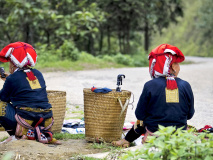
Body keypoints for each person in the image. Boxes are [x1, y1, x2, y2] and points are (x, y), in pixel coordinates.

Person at [112, 44, 195, 147]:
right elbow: (190, 115)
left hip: (155, 135)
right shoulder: (186, 85)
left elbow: (140, 114)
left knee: (141, 121)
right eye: (177, 64)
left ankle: (126, 140)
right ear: (172, 66)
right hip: (178, 135)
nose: (179, 67)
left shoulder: (149, 85)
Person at [0, 42, 60, 144]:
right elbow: (27, 89)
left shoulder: (12, 78)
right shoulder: (38, 73)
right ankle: (39, 133)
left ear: (14, 63)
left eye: (10, 61)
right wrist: (8, 79)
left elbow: (3, 98)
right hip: (46, 122)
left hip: (26, 121)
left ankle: (17, 135)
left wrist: (8, 80)